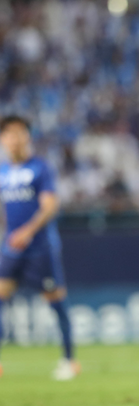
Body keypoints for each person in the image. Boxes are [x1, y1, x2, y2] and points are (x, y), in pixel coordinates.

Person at [0, 116, 78, 380]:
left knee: (56, 302)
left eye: (19, 133)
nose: (14, 139)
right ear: (3, 140)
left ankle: (69, 360)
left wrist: (27, 231)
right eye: (8, 134)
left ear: (27, 136)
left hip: (40, 249)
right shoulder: (2, 171)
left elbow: (50, 206)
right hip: (12, 248)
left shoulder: (39, 168)